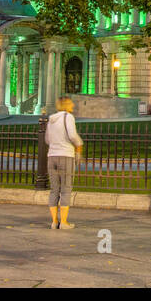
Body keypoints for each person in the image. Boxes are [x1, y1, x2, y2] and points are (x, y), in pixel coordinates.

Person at [46, 97, 83, 229]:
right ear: (66, 105)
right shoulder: (68, 117)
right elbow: (73, 135)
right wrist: (79, 144)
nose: (73, 104)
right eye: (71, 102)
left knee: (54, 189)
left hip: (52, 156)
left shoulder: (51, 119)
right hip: (65, 155)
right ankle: (64, 222)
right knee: (66, 189)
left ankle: (54, 221)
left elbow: (47, 139)